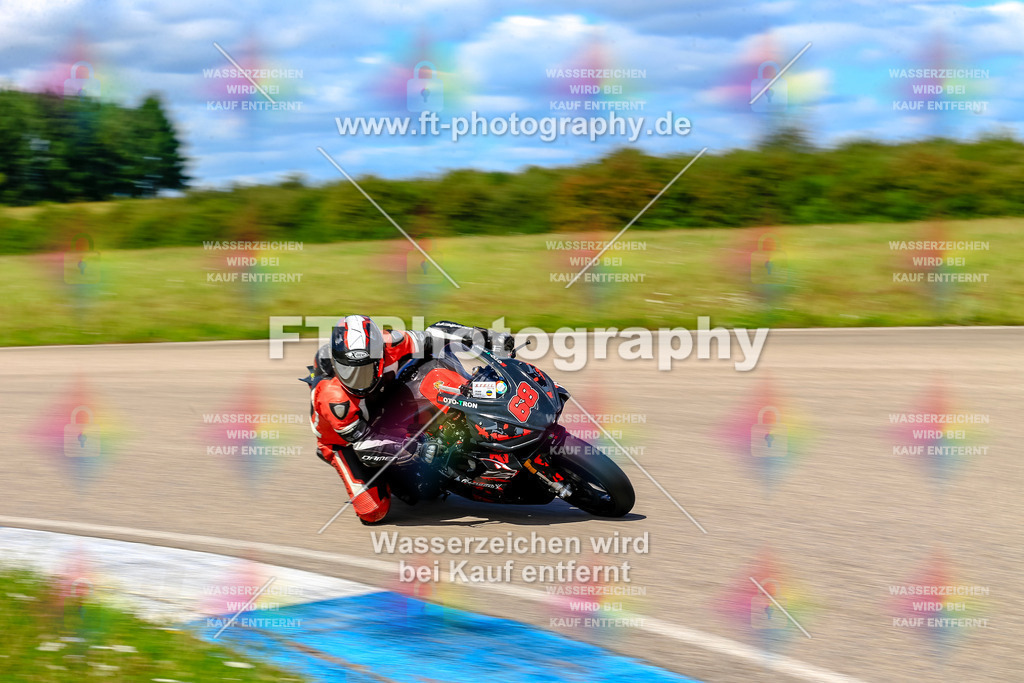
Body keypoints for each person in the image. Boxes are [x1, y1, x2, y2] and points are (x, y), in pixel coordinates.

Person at [306, 316, 506, 524]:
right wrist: (416, 450)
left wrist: (486, 338)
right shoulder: (335, 399)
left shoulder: (389, 343)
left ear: (379, 357)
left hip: (379, 404)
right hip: (345, 442)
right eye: (348, 372)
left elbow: (434, 335)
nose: (357, 381)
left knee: (434, 363)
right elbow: (365, 445)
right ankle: (394, 479)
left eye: (364, 370)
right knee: (373, 511)